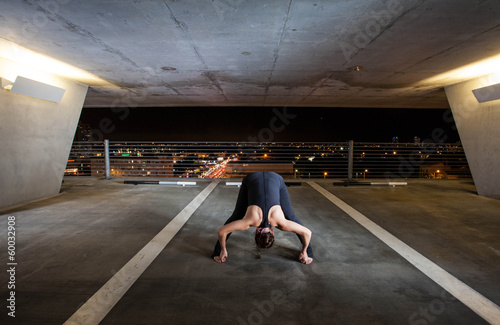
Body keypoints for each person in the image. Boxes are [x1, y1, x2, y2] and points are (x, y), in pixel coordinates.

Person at [212, 172, 314, 264]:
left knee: (290, 217)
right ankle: (307, 253)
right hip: (255, 178)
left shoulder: (281, 223)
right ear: (256, 233)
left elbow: (307, 233)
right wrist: (223, 249)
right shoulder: (249, 222)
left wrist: (304, 251)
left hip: (274, 178)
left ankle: (309, 253)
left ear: (273, 233)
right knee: (237, 216)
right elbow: (221, 231)